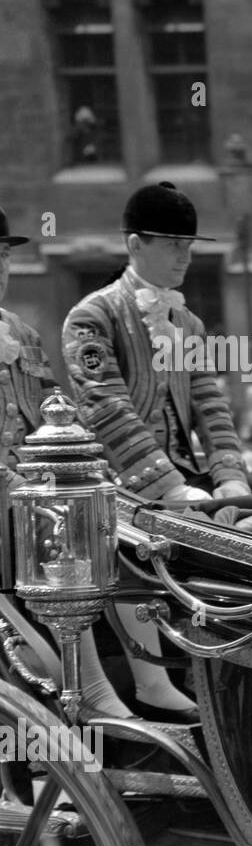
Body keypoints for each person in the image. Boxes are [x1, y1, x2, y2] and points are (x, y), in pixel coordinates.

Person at [62, 182, 251, 716]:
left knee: (251, 531)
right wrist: (170, 486)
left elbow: (210, 400)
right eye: (171, 245)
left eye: (188, 246)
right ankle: (150, 680)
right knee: (133, 541)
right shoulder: (92, 317)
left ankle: (231, 667)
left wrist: (230, 472)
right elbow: (106, 408)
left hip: (188, 480)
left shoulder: (187, 322)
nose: (184, 257)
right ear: (134, 244)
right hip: (118, 484)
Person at [0, 206, 139, 719]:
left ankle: (122, 686)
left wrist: (93, 473)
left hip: (32, 510)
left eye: (4, 256)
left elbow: (54, 414)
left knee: (111, 528)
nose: (0, 269)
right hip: (12, 511)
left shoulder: (22, 333)